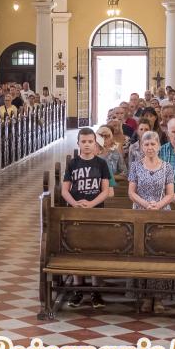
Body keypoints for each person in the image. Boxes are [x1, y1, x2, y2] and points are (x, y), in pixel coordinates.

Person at [61, 128, 111, 309]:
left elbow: (105, 191)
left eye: (90, 141)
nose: (87, 145)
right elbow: (65, 190)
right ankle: (78, 290)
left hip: (96, 212)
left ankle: (96, 291)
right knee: (77, 250)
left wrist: (91, 204)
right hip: (76, 213)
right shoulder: (73, 164)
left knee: (95, 250)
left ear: (95, 143)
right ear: (78, 144)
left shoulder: (101, 164)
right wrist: (75, 204)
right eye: (83, 142)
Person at [128, 130, 175, 312]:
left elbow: (170, 194)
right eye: (146, 144)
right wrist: (146, 204)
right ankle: (145, 296)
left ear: (159, 146)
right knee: (142, 254)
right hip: (140, 214)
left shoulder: (167, 167)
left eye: (153, 144)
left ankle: (159, 297)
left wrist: (158, 205)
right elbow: (131, 192)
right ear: (142, 147)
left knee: (159, 255)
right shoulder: (135, 166)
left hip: (161, 214)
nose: (149, 147)